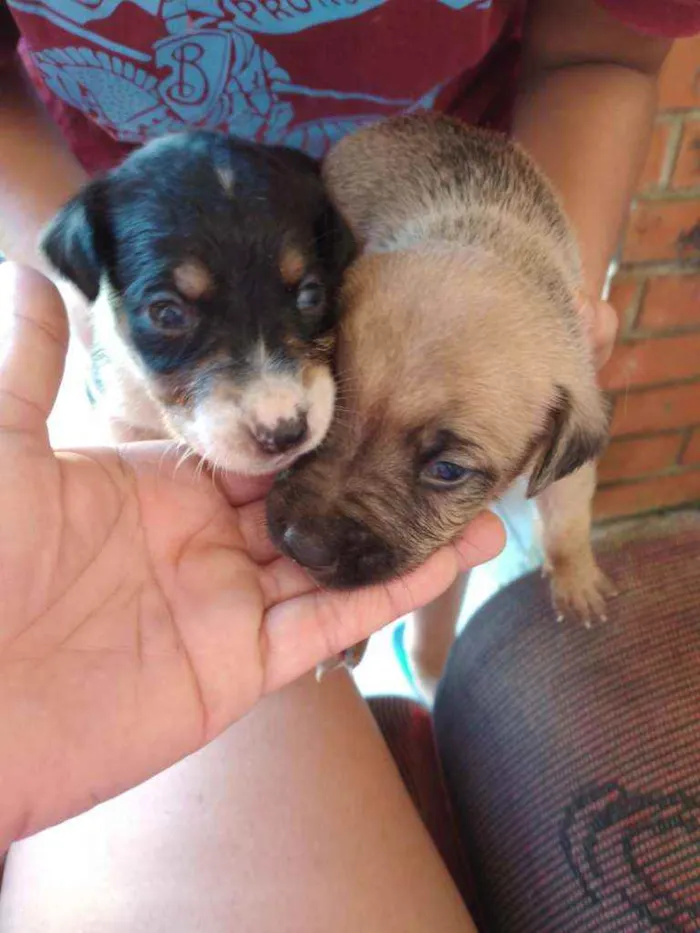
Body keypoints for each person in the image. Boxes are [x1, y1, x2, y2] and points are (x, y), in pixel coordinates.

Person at [3, 0, 689, 689]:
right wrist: (98, 291)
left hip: (497, 170)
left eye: (444, 467)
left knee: (444, 547)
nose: (312, 530)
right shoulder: (332, 272)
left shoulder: (534, 391)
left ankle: (425, 663)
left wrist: (565, 543)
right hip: (113, 211)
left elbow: (603, 57)